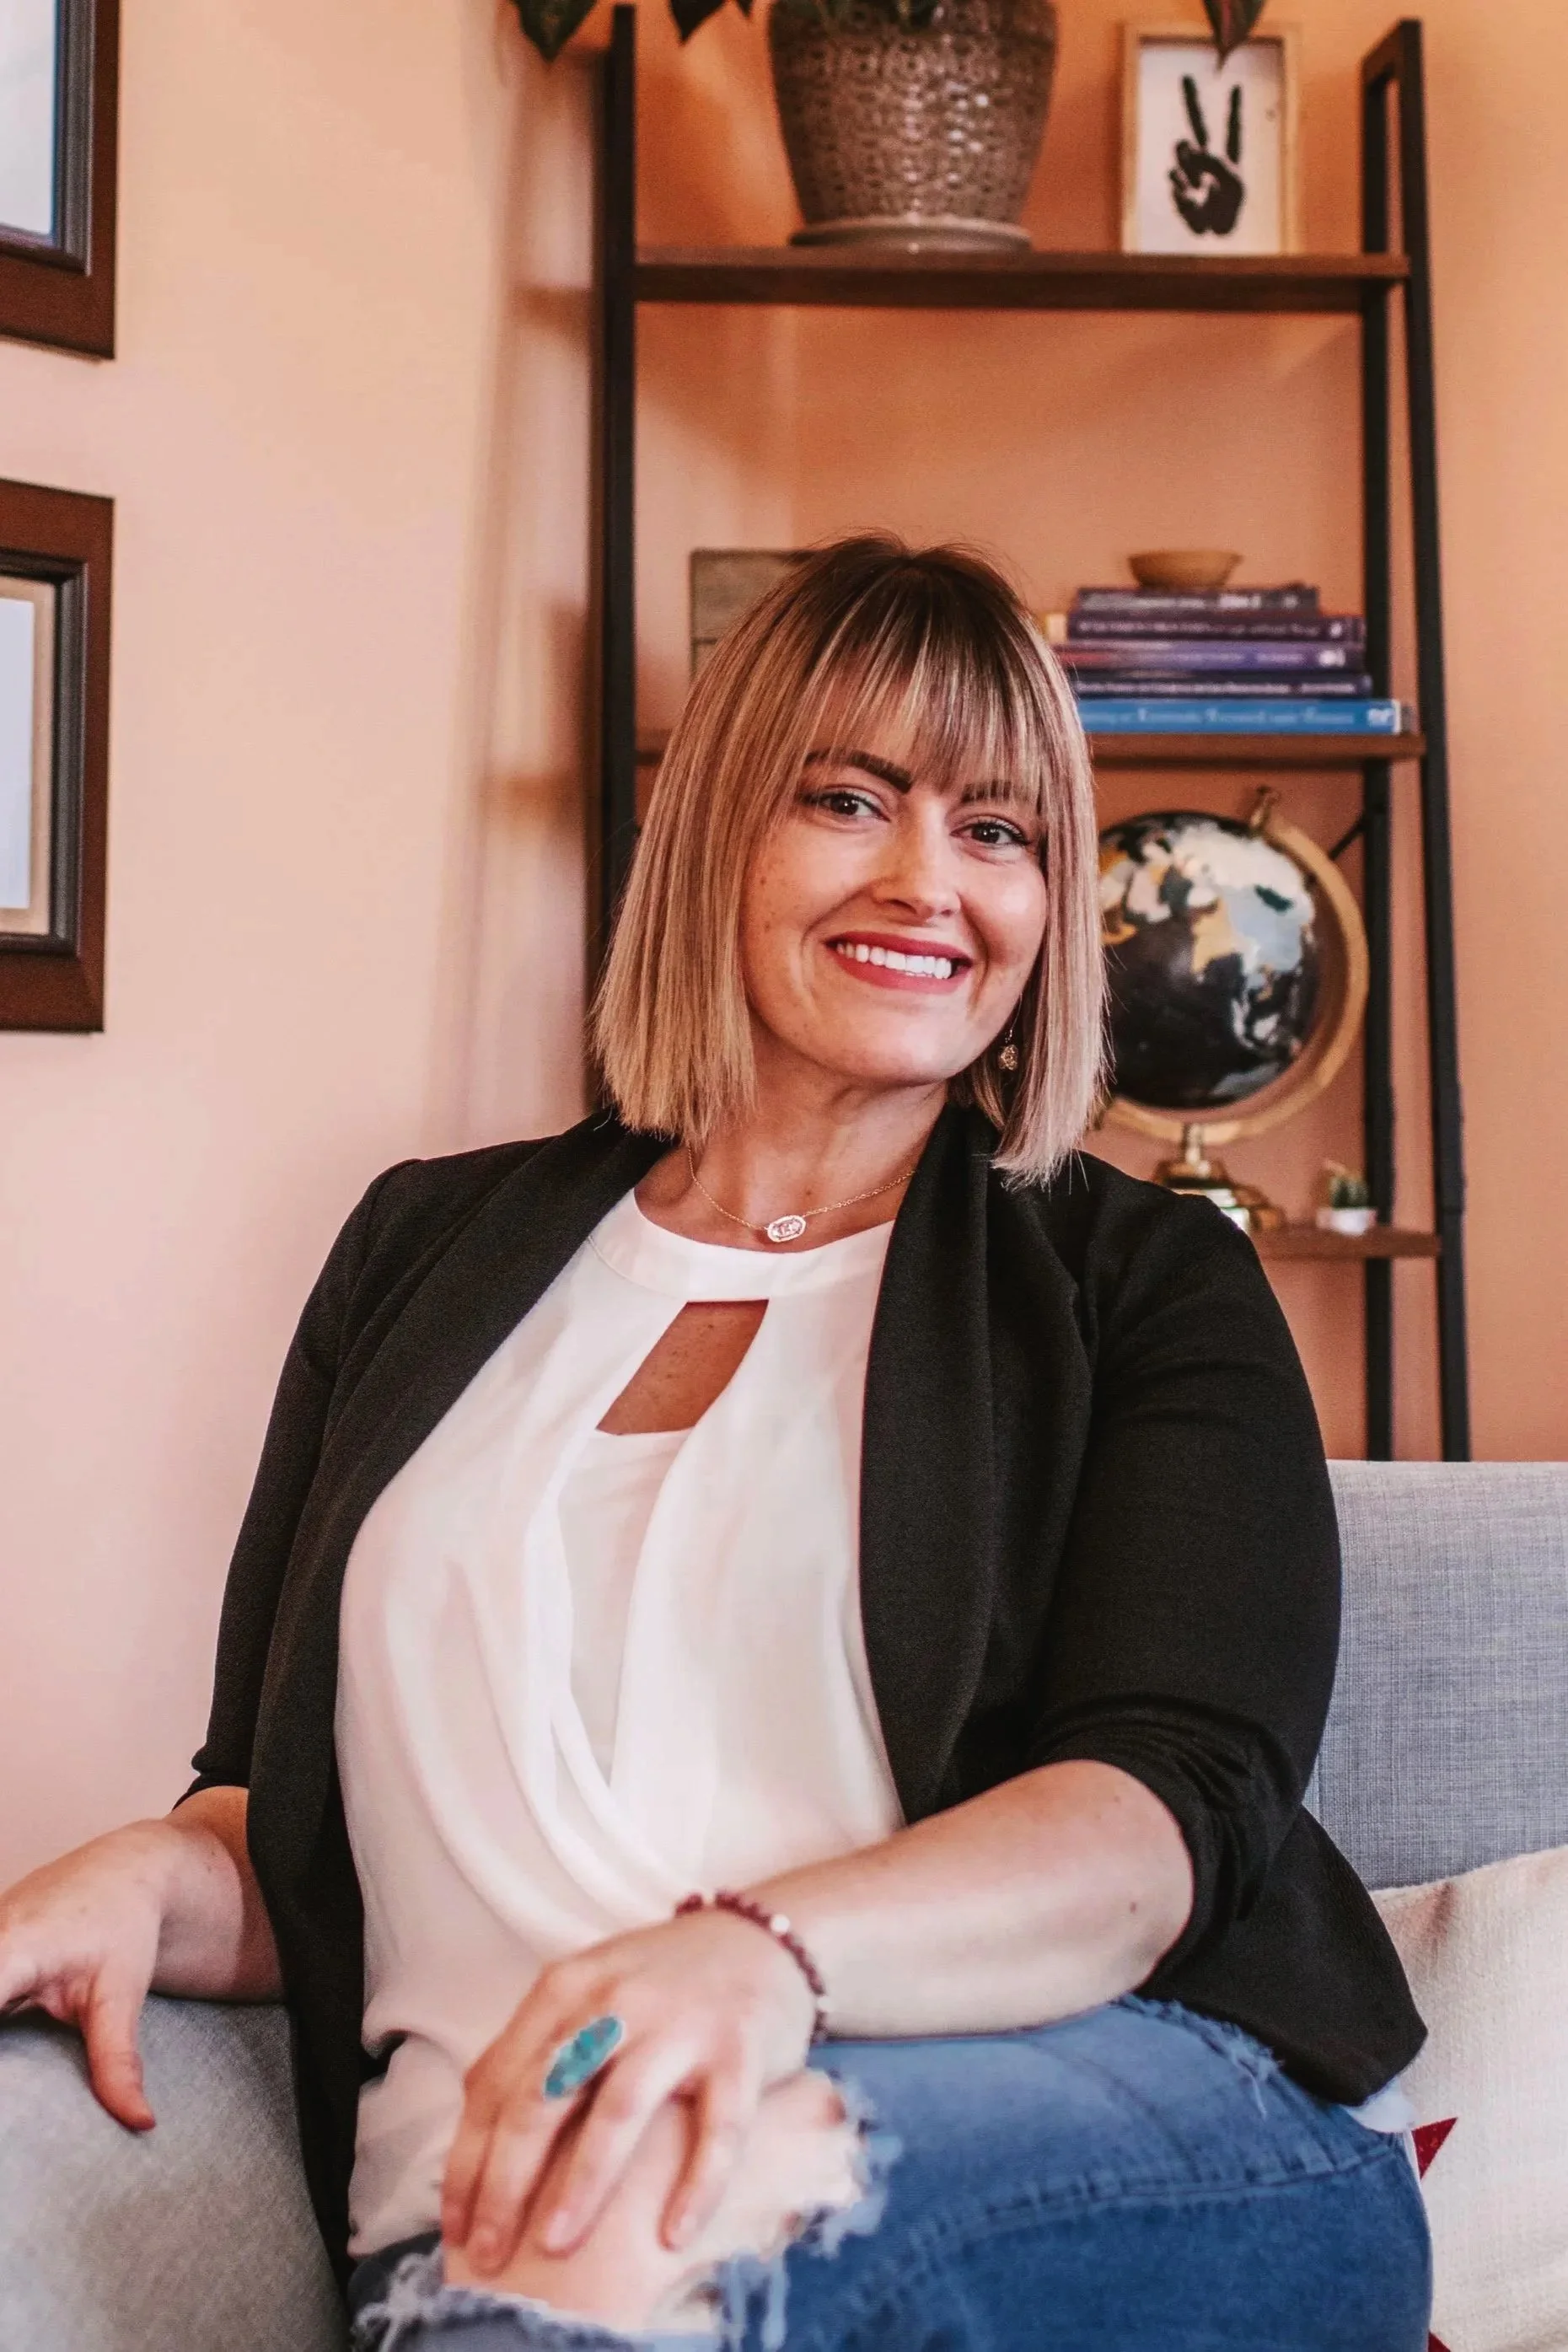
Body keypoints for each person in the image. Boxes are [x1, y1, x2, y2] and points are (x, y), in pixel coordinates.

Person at [0, 538, 1431, 2351]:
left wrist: (764, 1960)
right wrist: (144, 1872)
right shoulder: (427, 1252)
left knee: (677, 2205)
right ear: (717, 831)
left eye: (1001, 833)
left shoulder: (1137, 1279)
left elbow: (1163, 1824)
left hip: (1110, 2125)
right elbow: (293, 1823)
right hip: (494, 2215)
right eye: (851, 798)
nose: (933, 882)